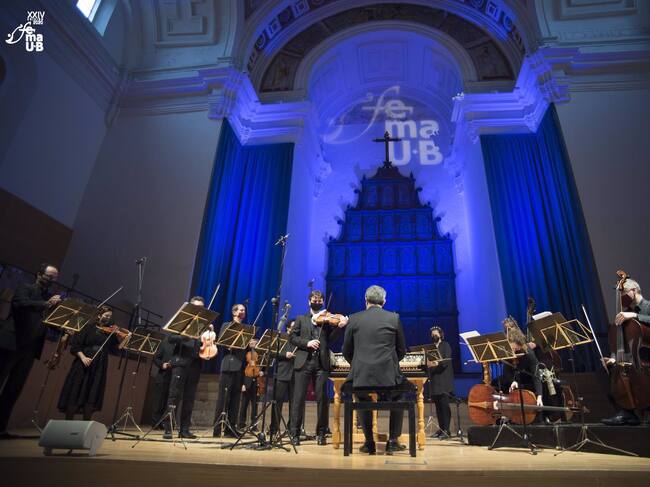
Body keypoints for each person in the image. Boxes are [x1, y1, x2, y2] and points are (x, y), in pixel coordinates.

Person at [341, 285, 407, 455]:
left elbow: (346, 350)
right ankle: (393, 441)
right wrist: (390, 365)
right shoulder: (394, 318)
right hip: (388, 376)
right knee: (399, 395)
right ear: (384, 301)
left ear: (365, 300)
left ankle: (369, 442)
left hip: (362, 375)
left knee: (361, 396)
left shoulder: (354, 319)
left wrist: (358, 365)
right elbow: (401, 350)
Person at [0, 264, 61, 439]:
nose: (52, 280)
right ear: (39, 274)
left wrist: (64, 326)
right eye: (50, 276)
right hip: (12, 342)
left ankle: (1, 428)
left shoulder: (49, 298)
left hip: (30, 348)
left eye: (55, 278)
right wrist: (46, 304)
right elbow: (21, 304)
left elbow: (49, 322)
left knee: (13, 390)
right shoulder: (25, 287)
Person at [289, 290, 346, 446]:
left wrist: (340, 327)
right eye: (315, 300)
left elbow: (332, 339)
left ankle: (321, 433)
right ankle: (294, 433)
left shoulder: (326, 320)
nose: (317, 302)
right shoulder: (301, 319)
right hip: (304, 362)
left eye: (320, 300)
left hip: (321, 363)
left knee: (322, 399)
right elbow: (292, 337)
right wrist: (307, 343)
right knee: (298, 399)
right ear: (309, 302)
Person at [57, 306, 125, 420]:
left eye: (110, 317)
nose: (108, 318)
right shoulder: (87, 328)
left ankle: (86, 422)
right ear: (99, 315)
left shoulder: (110, 333)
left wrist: (125, 339)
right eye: (106, 315)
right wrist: (83, 357)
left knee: (93, 390)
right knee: (76, 388)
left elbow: (116, 349)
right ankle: (68, 420)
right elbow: (75, 346)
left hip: (100, 364)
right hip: (83, 362)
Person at [601, 278, 650, 426]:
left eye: (623, 293)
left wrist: (635, 316)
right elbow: (621, 344)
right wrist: (614, 358)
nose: (621, 298)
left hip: (647, 357)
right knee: (616, 372)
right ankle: (628, 412)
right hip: (635, 359)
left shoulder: (647, 306)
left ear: (634, 291)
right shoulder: (624, 314)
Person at [162, 296, 205, 439]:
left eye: (201, 307)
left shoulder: (203, 324)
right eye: (196, 306)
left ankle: (184, 429)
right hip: (181, 362)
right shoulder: (182, 319)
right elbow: (170, 338)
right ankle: (168, 428)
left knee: (189, 398)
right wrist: (184, 337)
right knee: (174, 396)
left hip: (195, 364)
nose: (199, 309)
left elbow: (202, 344)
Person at [213, 303, 247, 437]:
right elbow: (222, 342)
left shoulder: (245, 329)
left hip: (240, 367)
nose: (243, 312)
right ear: (234, 312)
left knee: (235, 399)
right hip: (228, 365)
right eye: (240, 310)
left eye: (244, 310)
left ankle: (230, 428)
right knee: (223, 398)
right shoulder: (226, 325)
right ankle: (217, 429)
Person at [495, 317, 543, 408]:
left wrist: (540, 396)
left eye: (515, 348)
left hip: (526, 379)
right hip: (514, 377)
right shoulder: (508, 351)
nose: (513, 351)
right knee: (497, 383)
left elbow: (536, 376)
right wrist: (512, 381)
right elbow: (506, 371)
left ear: (520, 345)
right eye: (511, 348)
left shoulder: (529, 354)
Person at [269, 319, 296, 438]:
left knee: (294, 404)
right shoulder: (280, 338)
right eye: (293, 327)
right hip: (282, 373)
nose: (295, 329)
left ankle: (292, 430)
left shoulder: (298, 340)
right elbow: (271, 352)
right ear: (288, 328)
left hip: (295, 375)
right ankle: (274, 429)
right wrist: (285, 354)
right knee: (277, 402)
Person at [426, 325, 454, 439]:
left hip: (444, 380)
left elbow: (445, 362)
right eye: (432, 334)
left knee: (444, 406)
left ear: (440, 335)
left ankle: (447, 430)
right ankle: (441, 429)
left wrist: (435, 364)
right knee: (438, 406)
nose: (434, 335)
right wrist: (431, 364)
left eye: (436, 334)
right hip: (435, 380)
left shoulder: (445, 345)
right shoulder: (431, 348)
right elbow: (429, 362)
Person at [150, 333, 175, 428]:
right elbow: (156, 358)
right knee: (159, 401)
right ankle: (155, 423)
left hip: (174, 376)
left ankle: (164, 423)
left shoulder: (181, 345)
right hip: (163, 375)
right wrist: (162, 365)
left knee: (168, 403)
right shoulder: (165, 343)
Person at [238, 337, 263, 431]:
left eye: (254, 342)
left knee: (255, 405)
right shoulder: (245, 353)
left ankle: (253, 425)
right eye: (251, 342)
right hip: (247, 380)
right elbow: (242, 369)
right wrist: (242, 383)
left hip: (256, 380)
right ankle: (241, 424)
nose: (252, 344)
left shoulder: (260, 354)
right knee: (244, 404)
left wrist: (262, 372)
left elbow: (263, 366)